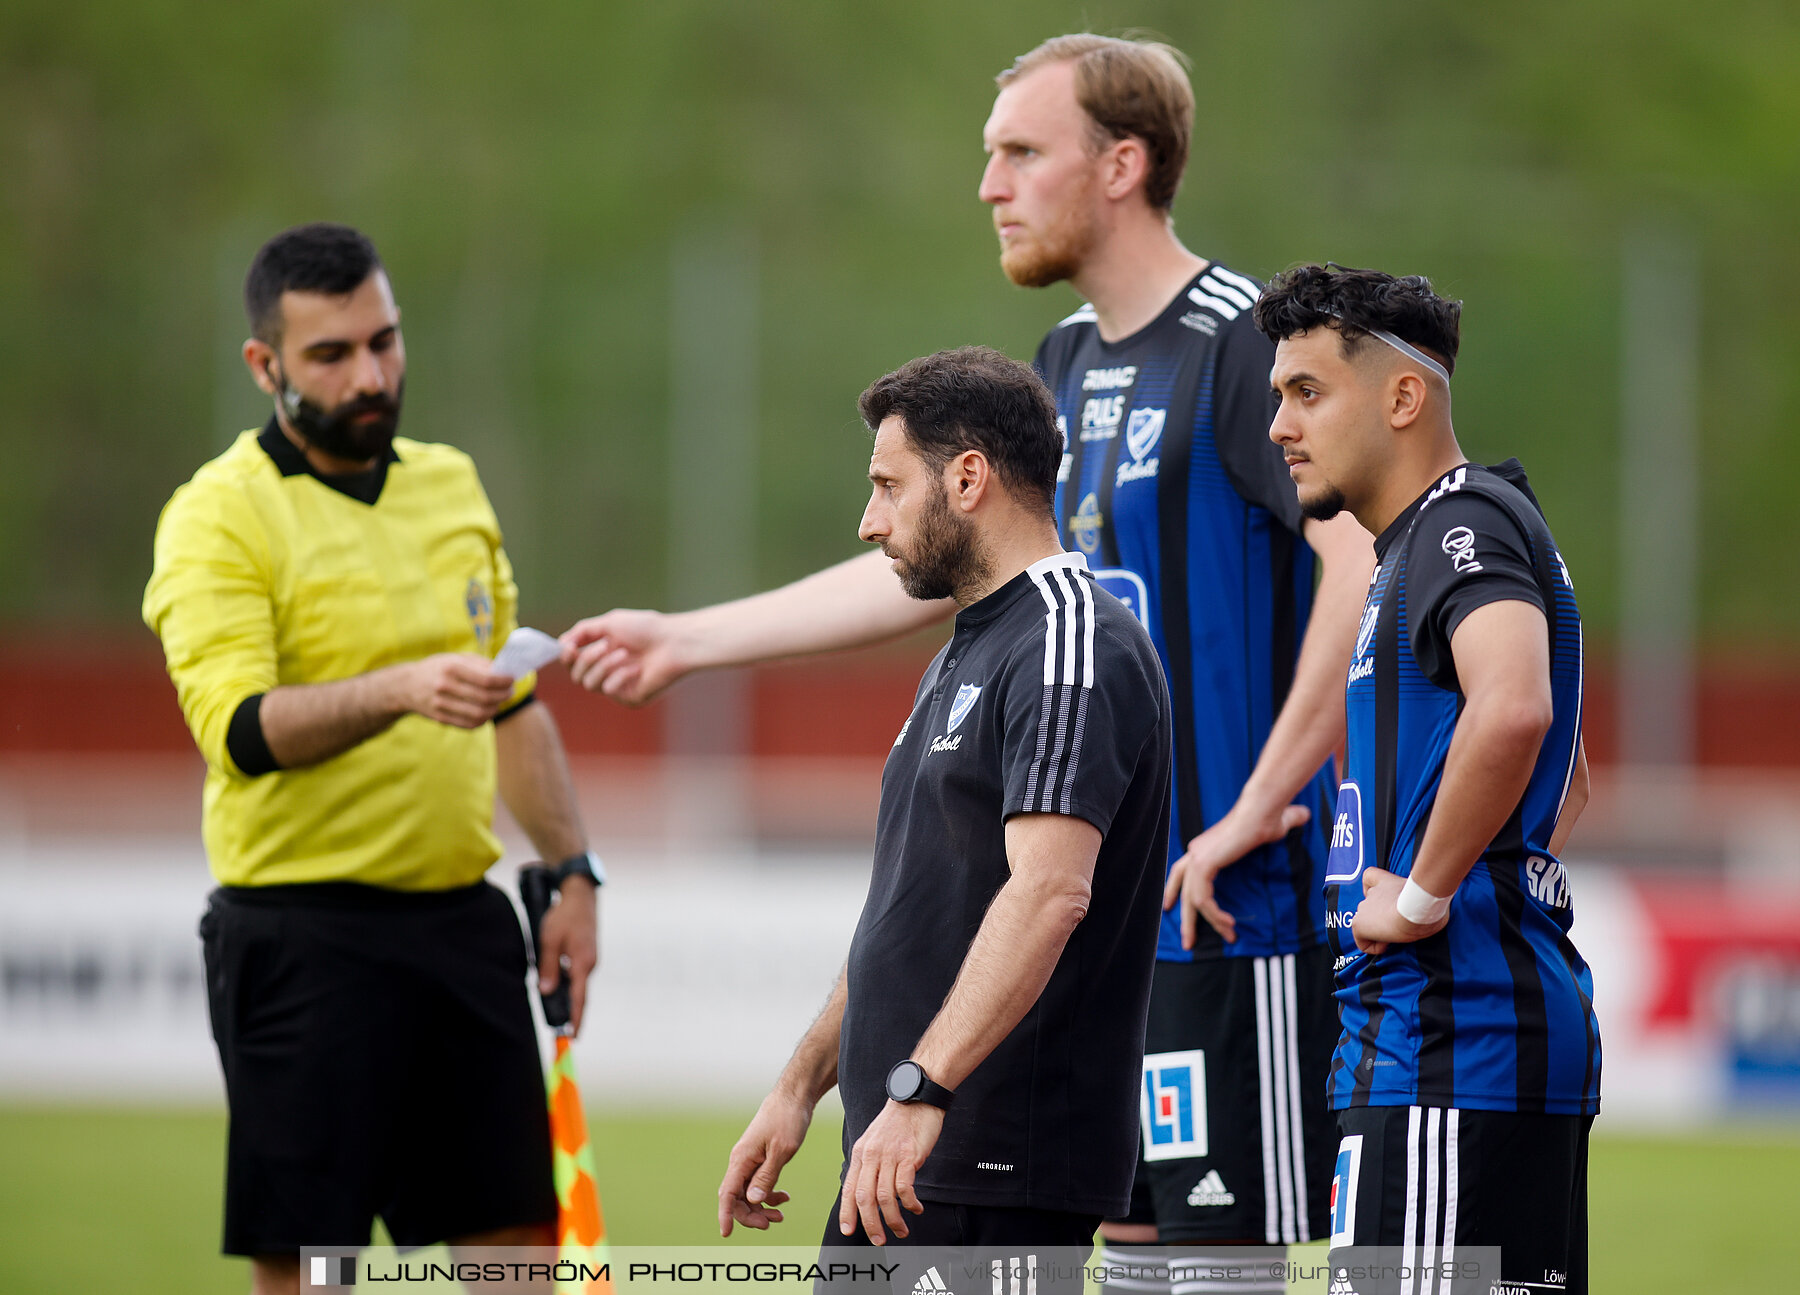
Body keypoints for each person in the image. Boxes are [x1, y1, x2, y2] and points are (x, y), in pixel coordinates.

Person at [563, 34, 1372, 1279]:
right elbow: (938, 560)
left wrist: (1257, 807)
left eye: (1019, 152)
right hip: (1096, 927)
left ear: (1122, 164)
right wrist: (691, 638)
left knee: (1214, 1266)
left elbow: (1359, 567)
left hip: (1227, 915)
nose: (990, 183)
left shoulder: (1234, 344)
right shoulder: (1059, 364)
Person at [142, 223, 601, 1295]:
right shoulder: (217, 516)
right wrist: (398, 688)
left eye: (384, 341)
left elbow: (513, 701)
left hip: (462, 924)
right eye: (332, 354)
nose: (372, 374)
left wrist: (571, 869)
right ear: (265, 366)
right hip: (301, 937)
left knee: (523, 1259)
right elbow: (240, 730)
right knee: (313, 1272)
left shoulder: (451, 483)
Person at [712, 347, 1172, 1264]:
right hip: (903, 1152)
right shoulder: (971, 647)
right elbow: (911, 910)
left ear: (968, 478)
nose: (867, 520)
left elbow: (1050, 894)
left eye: (888, 486)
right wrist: (802, 1086)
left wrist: (923, 1090)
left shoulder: (1070, 642)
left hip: (988, 1155)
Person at [1254, 264, 1599, 1295]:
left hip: (1450, 1047)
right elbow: (1569, 777)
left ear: (1403, 397)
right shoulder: (1420, 545)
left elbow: (1518, 710)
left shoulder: (1462, 525)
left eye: (1306, 392)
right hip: (1448, 1045)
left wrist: (1422, 896)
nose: (1280, 424)